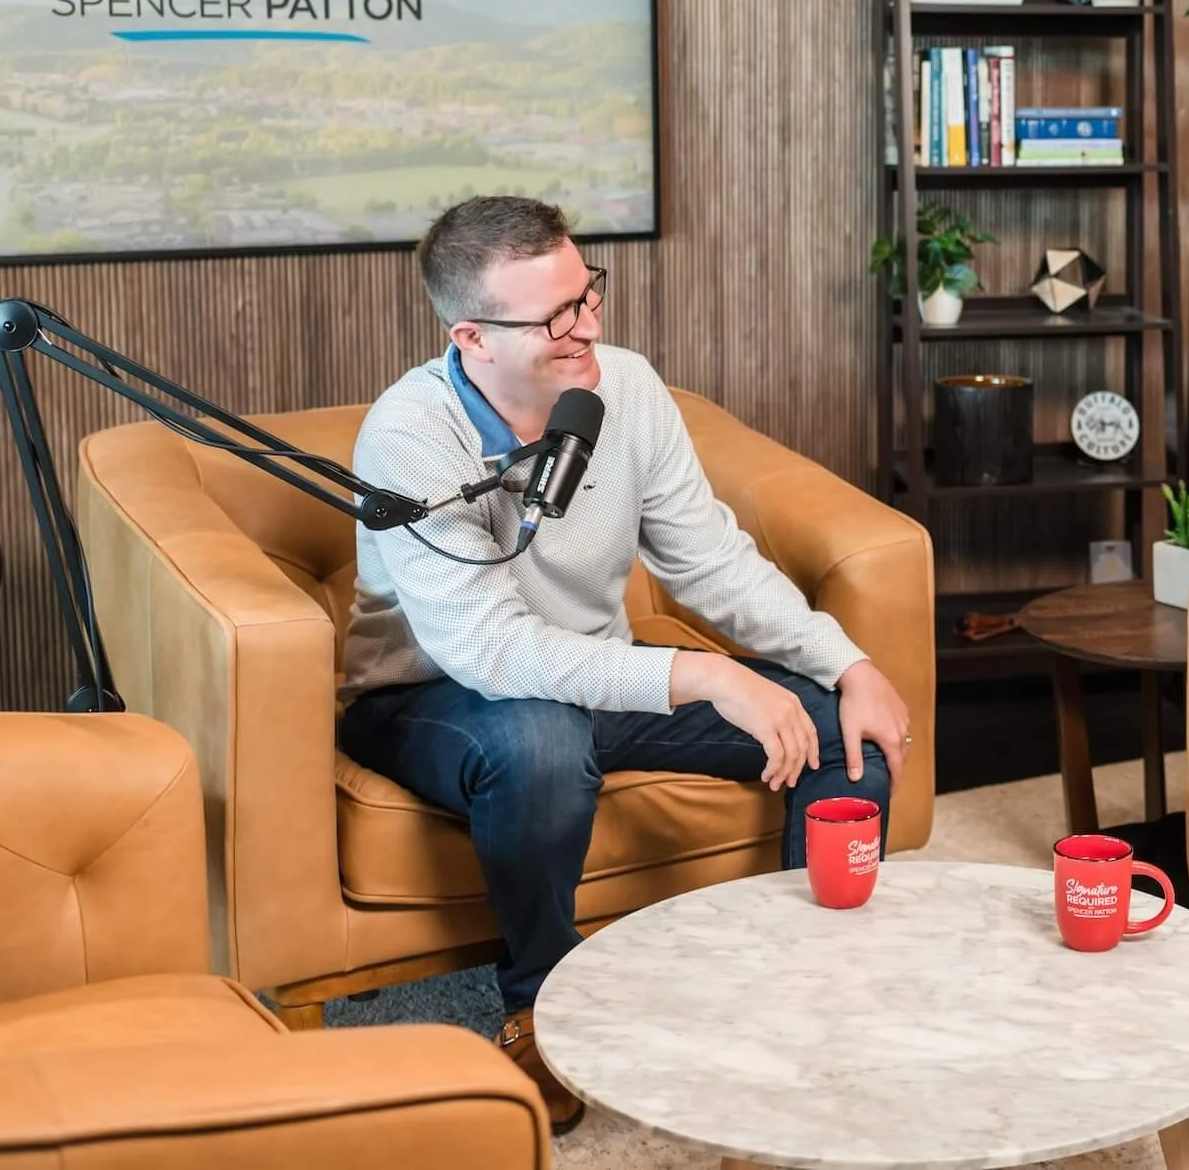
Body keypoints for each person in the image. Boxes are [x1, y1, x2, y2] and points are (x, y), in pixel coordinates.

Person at [337, 196, 914, 1133]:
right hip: (428, 693)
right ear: (472, 337)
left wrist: (846, 663)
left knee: (844, 738)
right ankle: (540, 1009)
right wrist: (707, 674)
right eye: (555, 316)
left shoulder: (628, 388)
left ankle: (814, 989)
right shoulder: (410, 435)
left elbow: (709, 560)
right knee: (540, 740)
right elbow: (489, 648)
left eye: (588, 294)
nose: (588, 327)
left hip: (595, 673)